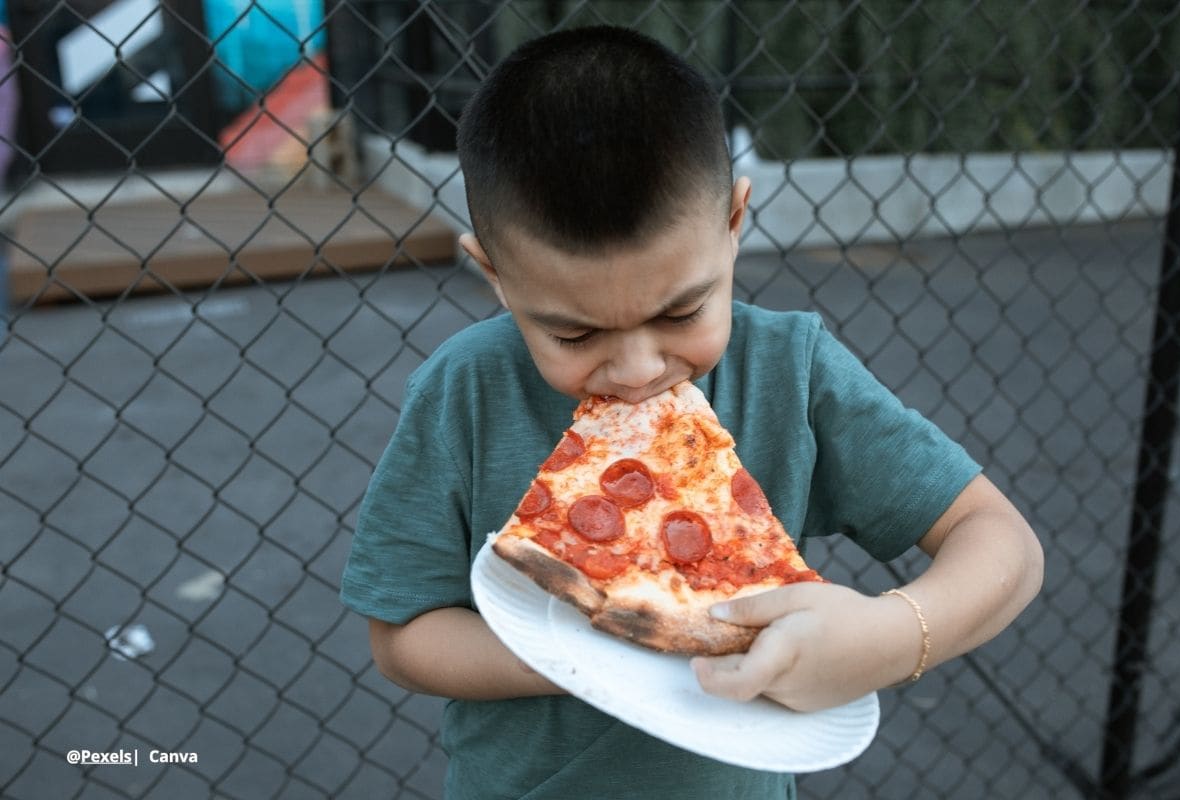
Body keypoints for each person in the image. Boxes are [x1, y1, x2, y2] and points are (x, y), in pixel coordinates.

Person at [341, 24, 1043, 800]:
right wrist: (600, 652)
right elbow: (402, 636)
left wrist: (890, 635)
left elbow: (1003, 544)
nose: (639, 370)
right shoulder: (463, 392)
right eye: (574, 331)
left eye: (682, 313)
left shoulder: (792, 373)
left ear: (735, 224)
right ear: (495, 275)